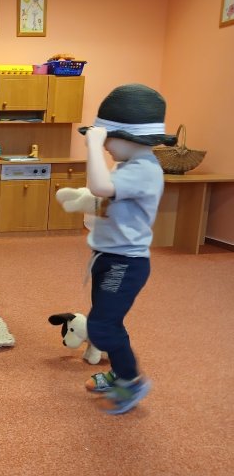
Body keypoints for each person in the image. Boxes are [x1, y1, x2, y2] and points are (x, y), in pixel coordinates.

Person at [63, 83, 177, 415]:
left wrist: (92, 145)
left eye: (108, 139)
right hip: (109, 258)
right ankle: (119, 372)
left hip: (123, 264)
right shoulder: (130, 166)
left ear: (131, 138)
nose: (105, 146)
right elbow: (106, 197)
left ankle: (131, 381)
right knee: (109, 321)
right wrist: (83, 200)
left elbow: (100, 186)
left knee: (101, 326)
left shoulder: (144, 170)